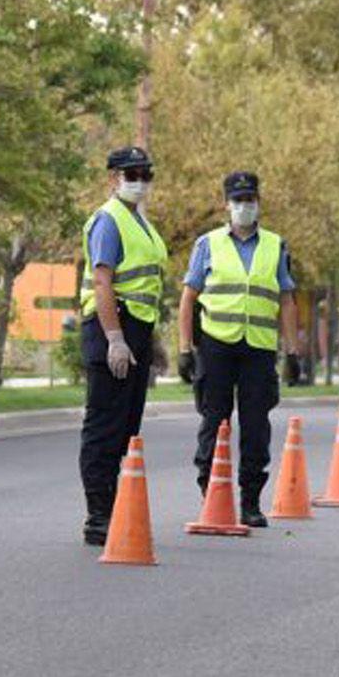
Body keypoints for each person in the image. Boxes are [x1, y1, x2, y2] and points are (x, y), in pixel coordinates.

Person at [176, 171, 300, 527]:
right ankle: (211, 494)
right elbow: (188, 298)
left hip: (259, 349)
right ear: (226, 205)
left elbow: (287, 300)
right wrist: (185, 348)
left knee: (256, 425)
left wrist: (292, 353)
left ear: (259, 202)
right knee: (214, 420)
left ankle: (250, 501)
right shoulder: (208, 244)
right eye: (238, 200)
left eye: (250, 199)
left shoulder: (276, 245)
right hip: (216, 344)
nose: (245, 206)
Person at [76, 146, 169, 546]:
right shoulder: (109, 221)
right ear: (112, 178)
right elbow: (102, 281)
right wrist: (114, 338)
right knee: (104, 425)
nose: (139, 181)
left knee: (127, 425)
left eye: (145, 174)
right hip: (111, 326)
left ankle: (114, 508)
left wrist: (153, 340)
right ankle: (98, 516)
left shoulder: (141, 224)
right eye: (130, 174)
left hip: (137, 329)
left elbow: (148, 287)